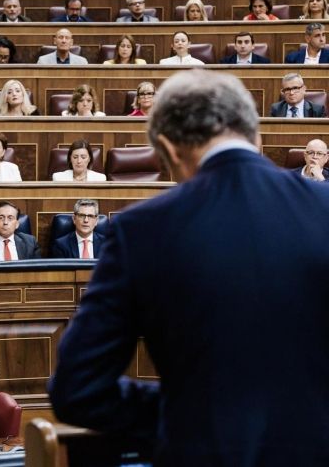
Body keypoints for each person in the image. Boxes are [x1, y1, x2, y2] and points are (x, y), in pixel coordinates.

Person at [49, 67, 329, 466]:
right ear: (255, 136)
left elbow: (78, 388)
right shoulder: (324, 208)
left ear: (169, 148)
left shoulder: (140, 230)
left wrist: (189, 409)